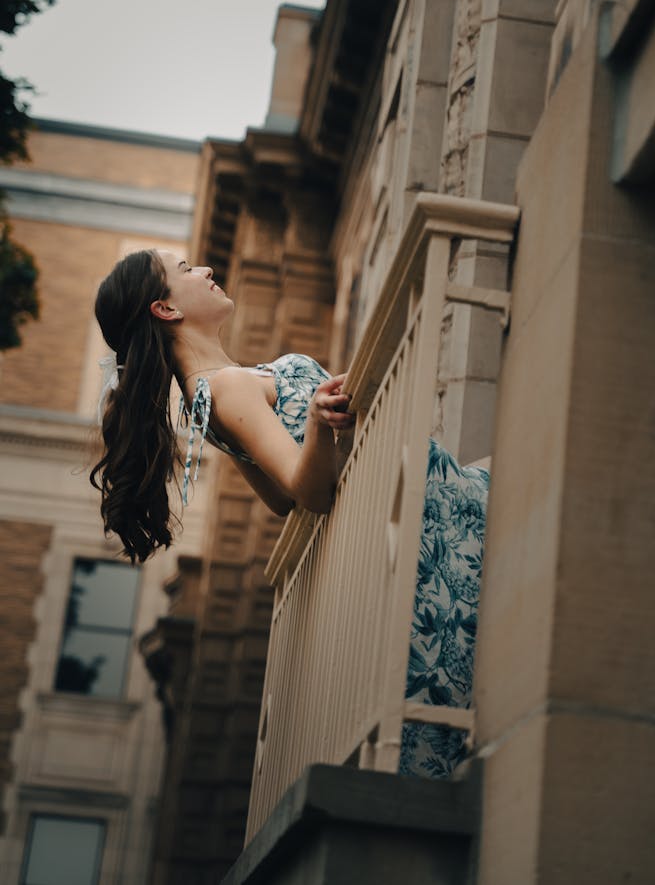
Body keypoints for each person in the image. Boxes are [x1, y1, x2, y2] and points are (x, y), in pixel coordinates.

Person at [91, 248, 489, 778]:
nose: (208, 271)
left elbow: (278, 497)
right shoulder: (223, 388)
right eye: (186, 271)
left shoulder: (209, 392)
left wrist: (317, 426)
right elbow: (309, 493)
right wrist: (321, 423)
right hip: (429, 516)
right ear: (165, 309)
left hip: (425, 500)